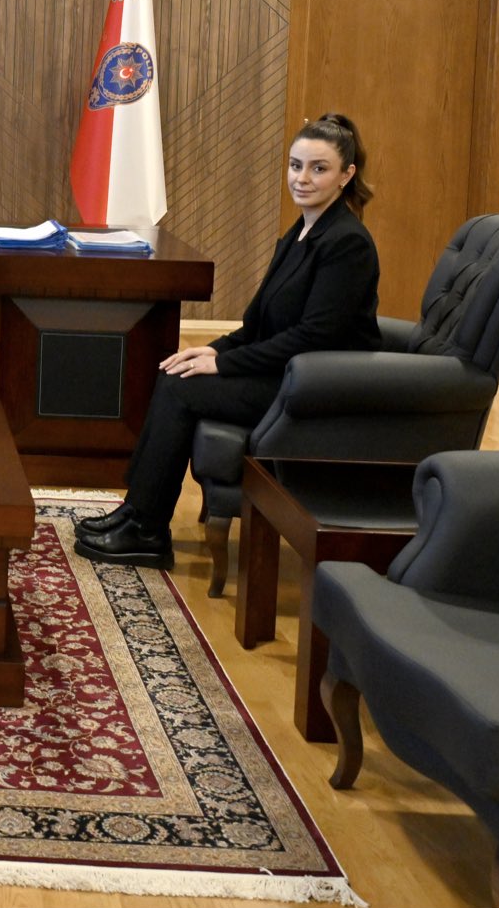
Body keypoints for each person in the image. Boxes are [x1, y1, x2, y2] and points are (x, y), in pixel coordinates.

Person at [75, 113, 382, 569]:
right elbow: (257, 323)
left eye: (319, 168)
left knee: (182, 389)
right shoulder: (299, 234)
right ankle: (136, 512)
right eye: (296, 165)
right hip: (285, 372)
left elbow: (313, 337)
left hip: (314, 388)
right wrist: (215, 349)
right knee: (174, 371)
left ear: (346, 174)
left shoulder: (347, 243)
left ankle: (147, 531)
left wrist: (224, 365)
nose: (302, 178)